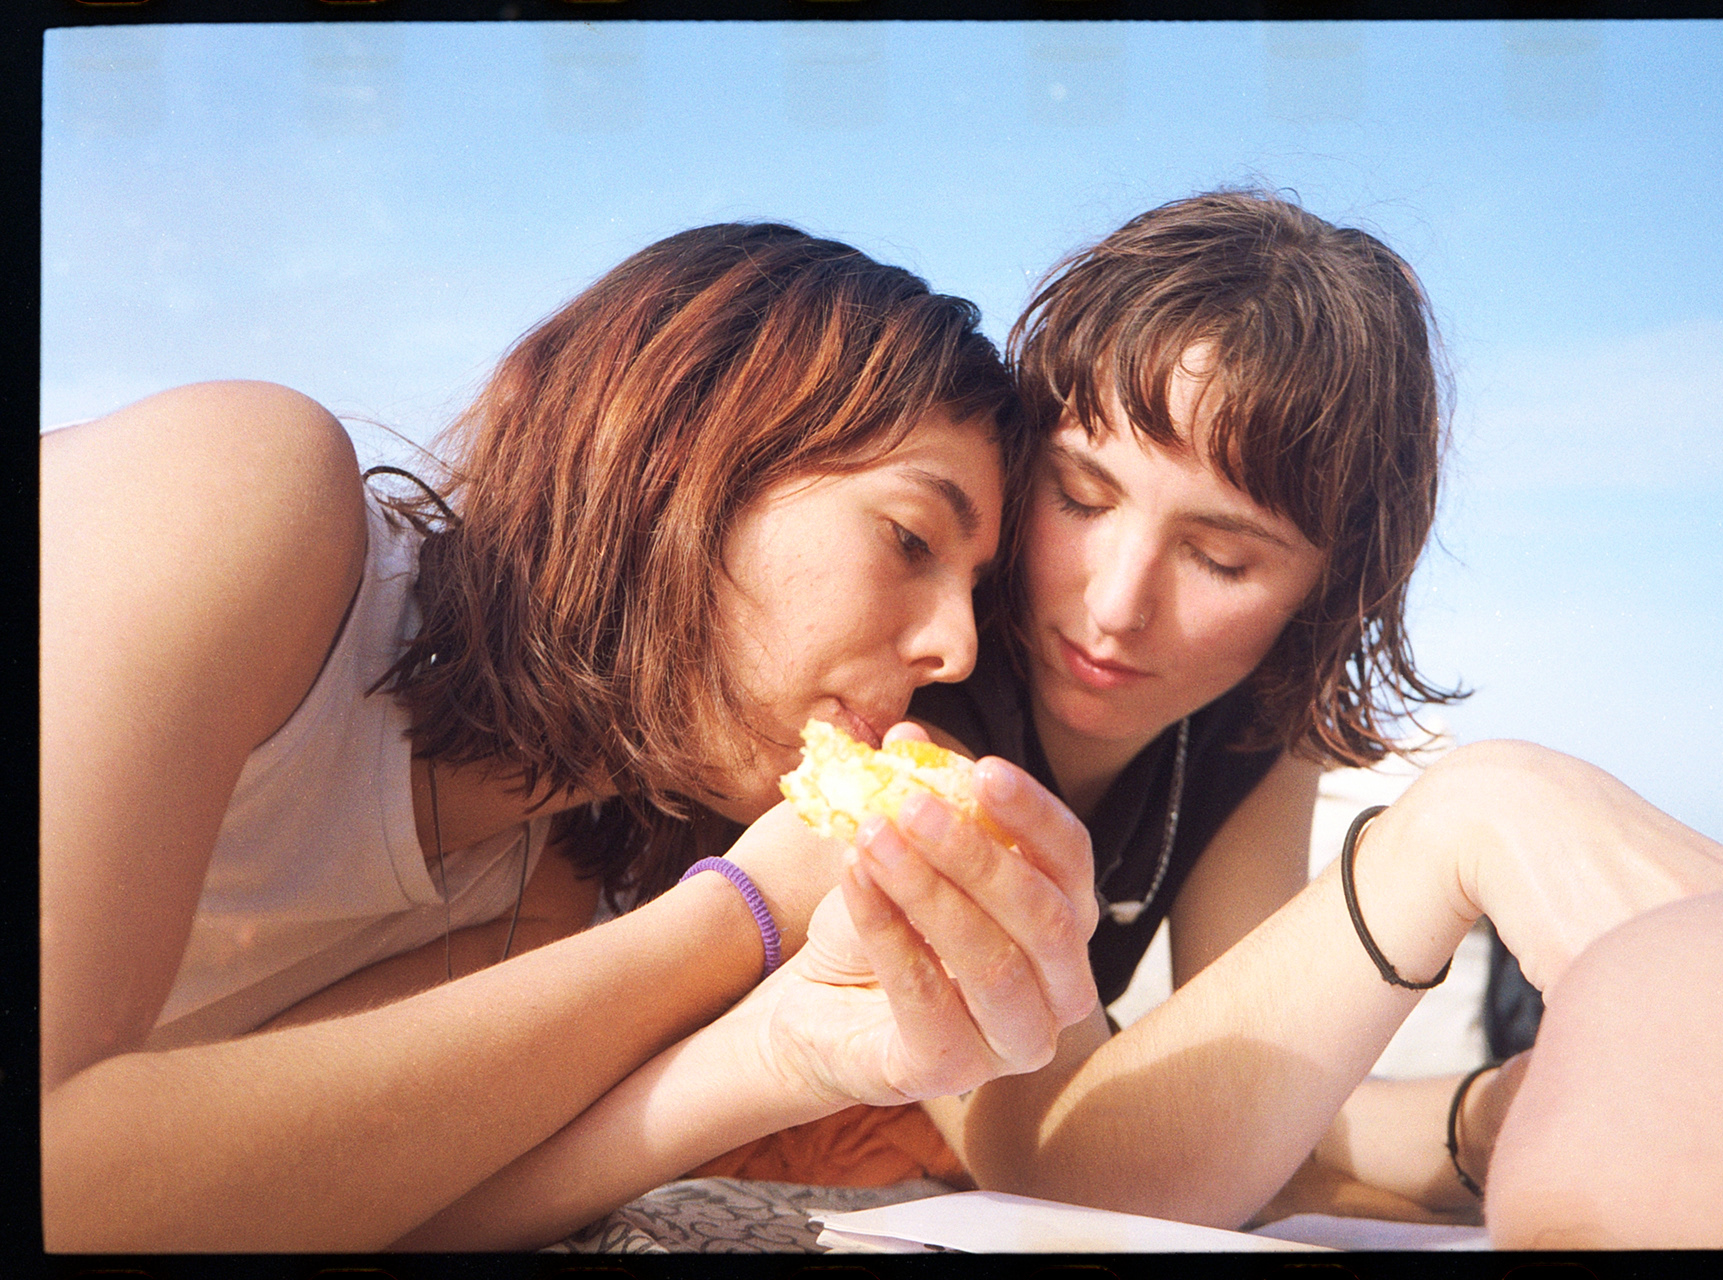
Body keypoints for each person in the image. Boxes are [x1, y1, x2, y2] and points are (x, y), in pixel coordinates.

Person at [684, 189, 1723, 1248]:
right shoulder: (925, 697)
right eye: (1081, 495)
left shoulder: (1251, 719)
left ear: (1324, 593)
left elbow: (1247, 1099)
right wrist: (1464, 819)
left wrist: (1490, 1114)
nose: (1116, 603)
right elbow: (1057, 1155)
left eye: (1221, 557)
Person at [39, 222, 1101, 1252]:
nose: (956, 648)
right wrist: (742, 912)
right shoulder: (238, 485)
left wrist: (784, 1053)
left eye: (973, 592)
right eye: (910, 538)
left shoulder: (538, 895)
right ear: (681, 452)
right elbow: (56, 1171)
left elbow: (336, 1201)